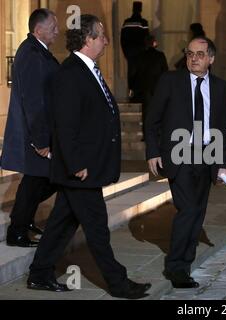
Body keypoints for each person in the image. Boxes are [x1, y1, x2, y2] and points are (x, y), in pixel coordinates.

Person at [27, 14, 151, 299]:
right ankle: (119, 284)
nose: (107, 40)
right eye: (102, 35)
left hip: (89, 165)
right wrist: (77, 164)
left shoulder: (89, 70)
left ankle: (39, 273)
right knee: (97, 230)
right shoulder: (70, 73)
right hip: (81, 169)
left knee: (62, 222)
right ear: (88, 39)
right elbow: (65, 124)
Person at [146, 36, 226, 288]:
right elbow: (153, 119)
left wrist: (221, 163)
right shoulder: (170, 81)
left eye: (200, 54)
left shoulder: (220, 87)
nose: (194, 58)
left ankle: (186, 260)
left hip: (206, 156)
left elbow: (221, 129)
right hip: (179, 154)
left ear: (211, 59)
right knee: (189, 209)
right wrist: (153, 151)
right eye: (190, 53)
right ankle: (176, 268)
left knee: (198, 211)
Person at [0, 9, 59, 247]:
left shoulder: (37, 51)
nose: (57, 30)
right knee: (37, 181)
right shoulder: (32, 54)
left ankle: (23, 222)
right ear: (38, 29)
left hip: (38, 132)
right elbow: (34, 101)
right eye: (53, 26)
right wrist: (41, 140)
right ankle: (17, 230)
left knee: (39, 181)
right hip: (34, 134)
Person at [129, 33, 168, 141]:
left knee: (146, 112)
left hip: (144, 88)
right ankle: (158, 134)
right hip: (158, 87)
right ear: (154, 43)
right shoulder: (160, 55)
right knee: (159, 111)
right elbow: (165, 72)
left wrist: (132, 87)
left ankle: (147, 135)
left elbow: (133, 73)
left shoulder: (139, 56)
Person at [120, 1, 150, 100]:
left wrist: (125, 51)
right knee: (141, 73)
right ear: (140, 10)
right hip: (141, 52)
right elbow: (147, 38)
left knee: (131, 72)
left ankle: (131, 92)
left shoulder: (126, 22)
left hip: (129, 52)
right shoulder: (143, 23)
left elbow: (122, 39)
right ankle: (139, 94)